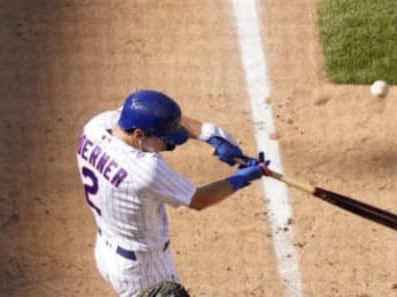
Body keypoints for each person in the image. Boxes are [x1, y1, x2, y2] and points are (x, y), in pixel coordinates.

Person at [76, 89, 269, 297]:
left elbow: (158, 119)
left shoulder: (96, 127)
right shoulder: (145, 171)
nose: (169, 145)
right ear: (139, 135)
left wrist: (208, 135)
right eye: (165, 141)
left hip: (108, 251)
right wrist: (243, 177)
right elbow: (199, 199)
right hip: (144, 269)